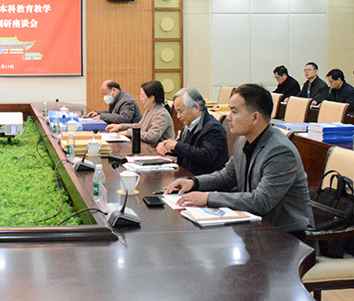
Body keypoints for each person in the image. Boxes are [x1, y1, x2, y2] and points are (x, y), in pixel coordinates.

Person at [165, 83, 314, 237]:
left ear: (255, 117)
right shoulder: (242, 141)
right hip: (255, 225)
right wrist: (194, 182)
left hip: (286, 233)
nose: (228, 117)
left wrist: (208, 198)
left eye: (234, 112)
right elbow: (226, 176)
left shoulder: (280, 151)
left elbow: (261, 201)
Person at [156, 87, 229, 175]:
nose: (178, 116)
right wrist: (167, 147)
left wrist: (176, 146)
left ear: (196, 108)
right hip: (187, 176)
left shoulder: (213, 128)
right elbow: (185, 151)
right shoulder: (189, 125)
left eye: (180, 111)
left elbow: (206, 156)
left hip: (205, 179)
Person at [106, 80, 174, 146]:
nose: (141, 99)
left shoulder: (162, 114)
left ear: (152, 98)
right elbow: (139, 126)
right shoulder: (150, 110)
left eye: (142, 96)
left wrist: (128, 132)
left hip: (159, 151)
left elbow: (152, 137)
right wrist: (120, 126)